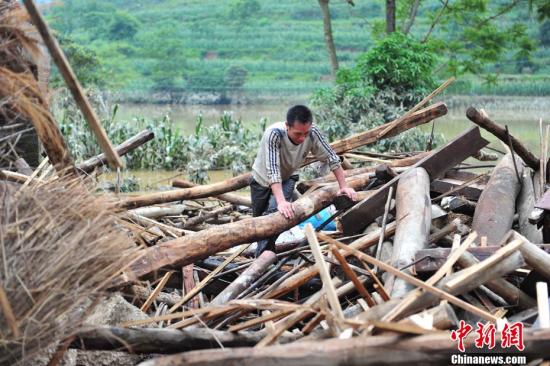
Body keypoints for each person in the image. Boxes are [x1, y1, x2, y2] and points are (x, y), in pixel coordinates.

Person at [250, 105, 357, 257]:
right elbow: (272, 170)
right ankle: (263, 256)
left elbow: (332, 158)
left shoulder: (312, 133)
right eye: (298, 134)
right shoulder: (274, 134)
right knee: (259, 222)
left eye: (305, 134)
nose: (302, 138)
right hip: (261, 179)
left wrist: (344, 186)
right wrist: (282, 201)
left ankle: (264, 257)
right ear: (287, 126)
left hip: (287, 178)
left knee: (276, 215)